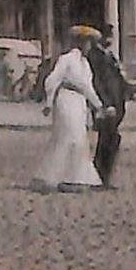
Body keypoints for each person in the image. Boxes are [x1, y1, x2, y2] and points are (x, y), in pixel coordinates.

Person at [31, 25, 106, 193]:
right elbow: (53, 79)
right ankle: (52, 177)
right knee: (67, 136)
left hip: (80, 102)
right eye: (87, 43)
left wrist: (98, 105)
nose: (89, 46)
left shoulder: (86, 64)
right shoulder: (66, 59)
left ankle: (75, 178)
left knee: (79, 139)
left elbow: (88, 87)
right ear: (80, 42)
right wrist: (49, 103)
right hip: (66, 99)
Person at [88, 23, 129, 188]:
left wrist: (131, 91)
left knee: (111, 139)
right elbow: (95, 82)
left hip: (116, 105)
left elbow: (119, 79)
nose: (110, 39)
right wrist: (103, 104)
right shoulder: (94, 56)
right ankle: (100, 175)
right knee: (107, 140)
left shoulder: (110, 56)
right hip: (105, 106)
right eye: (107, 36)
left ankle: (105, 175)